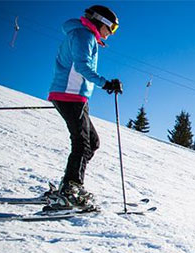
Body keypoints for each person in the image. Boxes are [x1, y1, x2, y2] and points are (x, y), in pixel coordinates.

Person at [45, 5, 123, 211]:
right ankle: (71, 190)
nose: (111, 34)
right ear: (101, 22)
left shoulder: (85, 36)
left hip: (76, 97)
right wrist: (105, 83)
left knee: (92, 142)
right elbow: (81, 66)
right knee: (81, 143)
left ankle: (69, 184)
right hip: (69, 94)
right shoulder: (83, 36)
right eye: (112, 28)